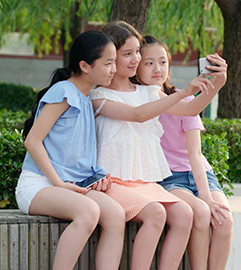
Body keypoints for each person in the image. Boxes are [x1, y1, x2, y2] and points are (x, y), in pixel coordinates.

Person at [89, 21, 226, 270]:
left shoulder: (150, 93)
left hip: (145, 182)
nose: (135, 59)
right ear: (110, 56)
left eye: (136, 53)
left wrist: (217, 84)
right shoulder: (99, 96)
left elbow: (190, 109)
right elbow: (138, 115)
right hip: (114, 180)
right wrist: (183, 91)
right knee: (157, 213)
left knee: (185, 214)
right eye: (127, 54)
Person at [15, 30, 125, 270]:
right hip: (38, 185)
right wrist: (58, 183)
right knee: (88, 211)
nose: (114, 69)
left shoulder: (86, 99)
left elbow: (77, 152)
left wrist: (98, 177)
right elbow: (32, 141)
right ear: (85, 65)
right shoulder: (63, 92)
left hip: (70, 186)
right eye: (108, 63)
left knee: (116, 215)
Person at [136, 35, 233, 270]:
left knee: (224, 220)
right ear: (136, 69)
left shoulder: (185, 97)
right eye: (149, 63)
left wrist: (207, 195)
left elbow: (195, 154)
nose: (157, 69)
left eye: (162, 62)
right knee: (200, 212)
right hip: (170, 178)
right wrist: (205, 201)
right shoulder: (139, 102)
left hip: (200, 174)